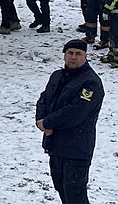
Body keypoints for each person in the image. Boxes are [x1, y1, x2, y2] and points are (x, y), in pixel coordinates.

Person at [35, 39, 104, 204]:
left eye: (78, 54)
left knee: (75, 195)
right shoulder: (57, 76)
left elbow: (76, 112)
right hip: (55, 146)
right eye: (70, 53)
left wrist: (49, 123)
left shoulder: (91, 82)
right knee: (62, 190)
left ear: (85, 56)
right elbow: (44, 99)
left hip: (77, 148)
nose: (73, 57)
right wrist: (41, 121)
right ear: (64, 55)